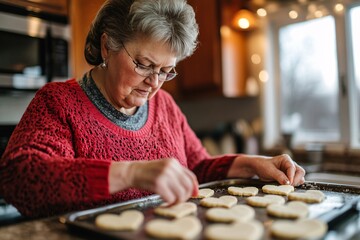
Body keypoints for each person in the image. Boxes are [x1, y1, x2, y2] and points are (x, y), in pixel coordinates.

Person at [0, 0, 305, 218]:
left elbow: (195, 168)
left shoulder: (165, 107)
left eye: (166, 71)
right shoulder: (59, 102)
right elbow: (19, 178)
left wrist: (252, 164)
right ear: (108, 46)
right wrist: (130, 172)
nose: (154, 82)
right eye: (143, 65)